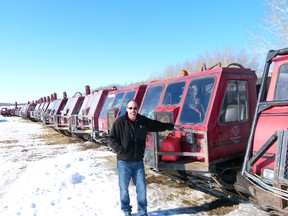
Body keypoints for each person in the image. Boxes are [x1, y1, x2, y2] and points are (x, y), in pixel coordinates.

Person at [109, 99, 174, 216]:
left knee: (142, 189)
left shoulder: (142, 121)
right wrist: (121, 152)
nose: (133, 110)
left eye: (135, 108)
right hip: (124, 162)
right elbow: (112, 139)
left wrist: (169, 126)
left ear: (138, 109)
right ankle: (126, 210)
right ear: (126, 109)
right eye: (130, 108)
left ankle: (142, 212)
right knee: (124, 189)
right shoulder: (120, 122)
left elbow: (155, 125)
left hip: (138, 162)